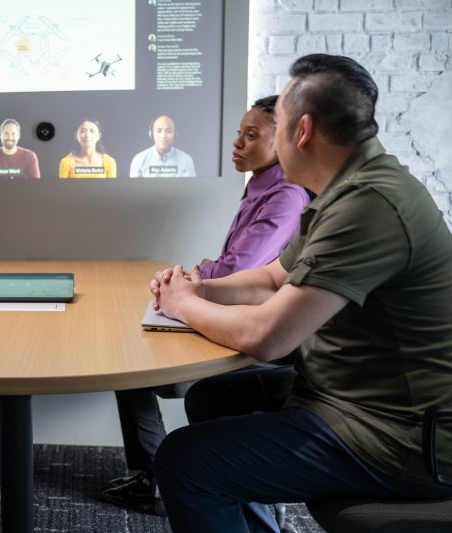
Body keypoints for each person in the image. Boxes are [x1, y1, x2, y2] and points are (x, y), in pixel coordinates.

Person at [152, 54, 452, 532]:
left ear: (302, 130)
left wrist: (183, 305)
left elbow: (270, 337)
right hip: (346, 396)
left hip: (401, 437)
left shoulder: (370, 205)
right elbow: (273, 277)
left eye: (277, 125)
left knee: (186, 460)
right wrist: (201, 286)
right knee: (211, 400)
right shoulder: (343, 189)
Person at [102, 96, 310, 515]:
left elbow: (244, 269)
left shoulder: (286, 194)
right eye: (239, 132)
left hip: (258, 328)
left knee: (136, 360)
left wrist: (190, 285)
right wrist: (191, 279)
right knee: (130, 352)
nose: (237, 143)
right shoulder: (260, 183)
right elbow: (239, 268)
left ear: (289, 139)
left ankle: (158, 480)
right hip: (236, 309)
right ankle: (152, 477)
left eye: (251, 136)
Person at [129, 115, 196, 178]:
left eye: (168, 131)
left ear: (175, 134)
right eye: (159, 131)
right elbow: (135, 189)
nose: (163, 135)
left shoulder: (186, 160)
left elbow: (190, 189)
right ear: (151, 134)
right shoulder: (139, 160)